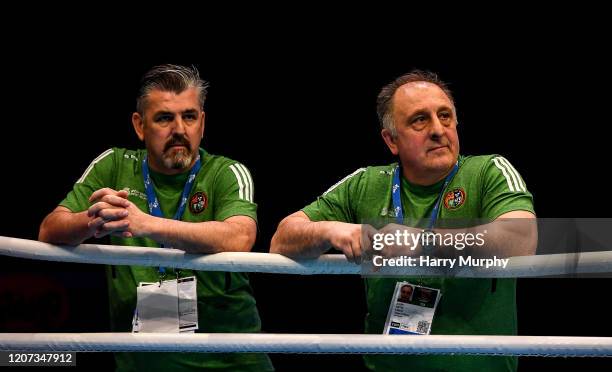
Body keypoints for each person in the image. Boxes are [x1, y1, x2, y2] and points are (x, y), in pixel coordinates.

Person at [271, 70, 536, 371]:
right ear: (391, 140)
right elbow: (282, 239)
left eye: (445, 116)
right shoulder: (366, 182)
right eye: (420, 120)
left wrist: (422, 243)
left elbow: (522, 238)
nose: (438, 129)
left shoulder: (489, 170)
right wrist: (331, 230)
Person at [39, 64, 273, 371]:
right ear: (140, 125)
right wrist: (94, 219)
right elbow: (49, 230)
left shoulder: (226, 172)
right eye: (164, 118)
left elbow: (240, 236)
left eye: (189, 116)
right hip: (143, 362)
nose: (179, 129)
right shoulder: (114, 164)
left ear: (202, 123)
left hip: (230, 362)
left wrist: (146, 223)